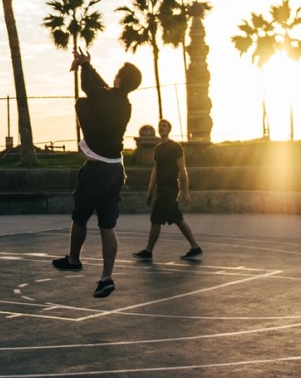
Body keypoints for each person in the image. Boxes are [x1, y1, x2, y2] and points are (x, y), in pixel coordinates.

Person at [51, 48, 140, 298]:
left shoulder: (107, 97)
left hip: (96, 170)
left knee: (80, 217)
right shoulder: (124, 104)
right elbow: (103, 90)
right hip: (116, 169)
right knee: (107, 226)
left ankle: (73, 259)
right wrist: (88, 65)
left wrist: (84, 66)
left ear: (119, 80)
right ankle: (106, 277)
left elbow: (91, 88)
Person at [131, 119, 202, 261]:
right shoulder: (158, 148)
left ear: (169, 129)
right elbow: (155, 171)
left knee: (156, 219)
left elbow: (183, 170)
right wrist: (150, 192)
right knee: (177, 218)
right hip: (161, 189)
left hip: (170, 189)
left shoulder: (176, 147)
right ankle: (195, 247)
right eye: (160, 126)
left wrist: (185, 191)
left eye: (164, 126)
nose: (161, 128)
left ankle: (148, 251)